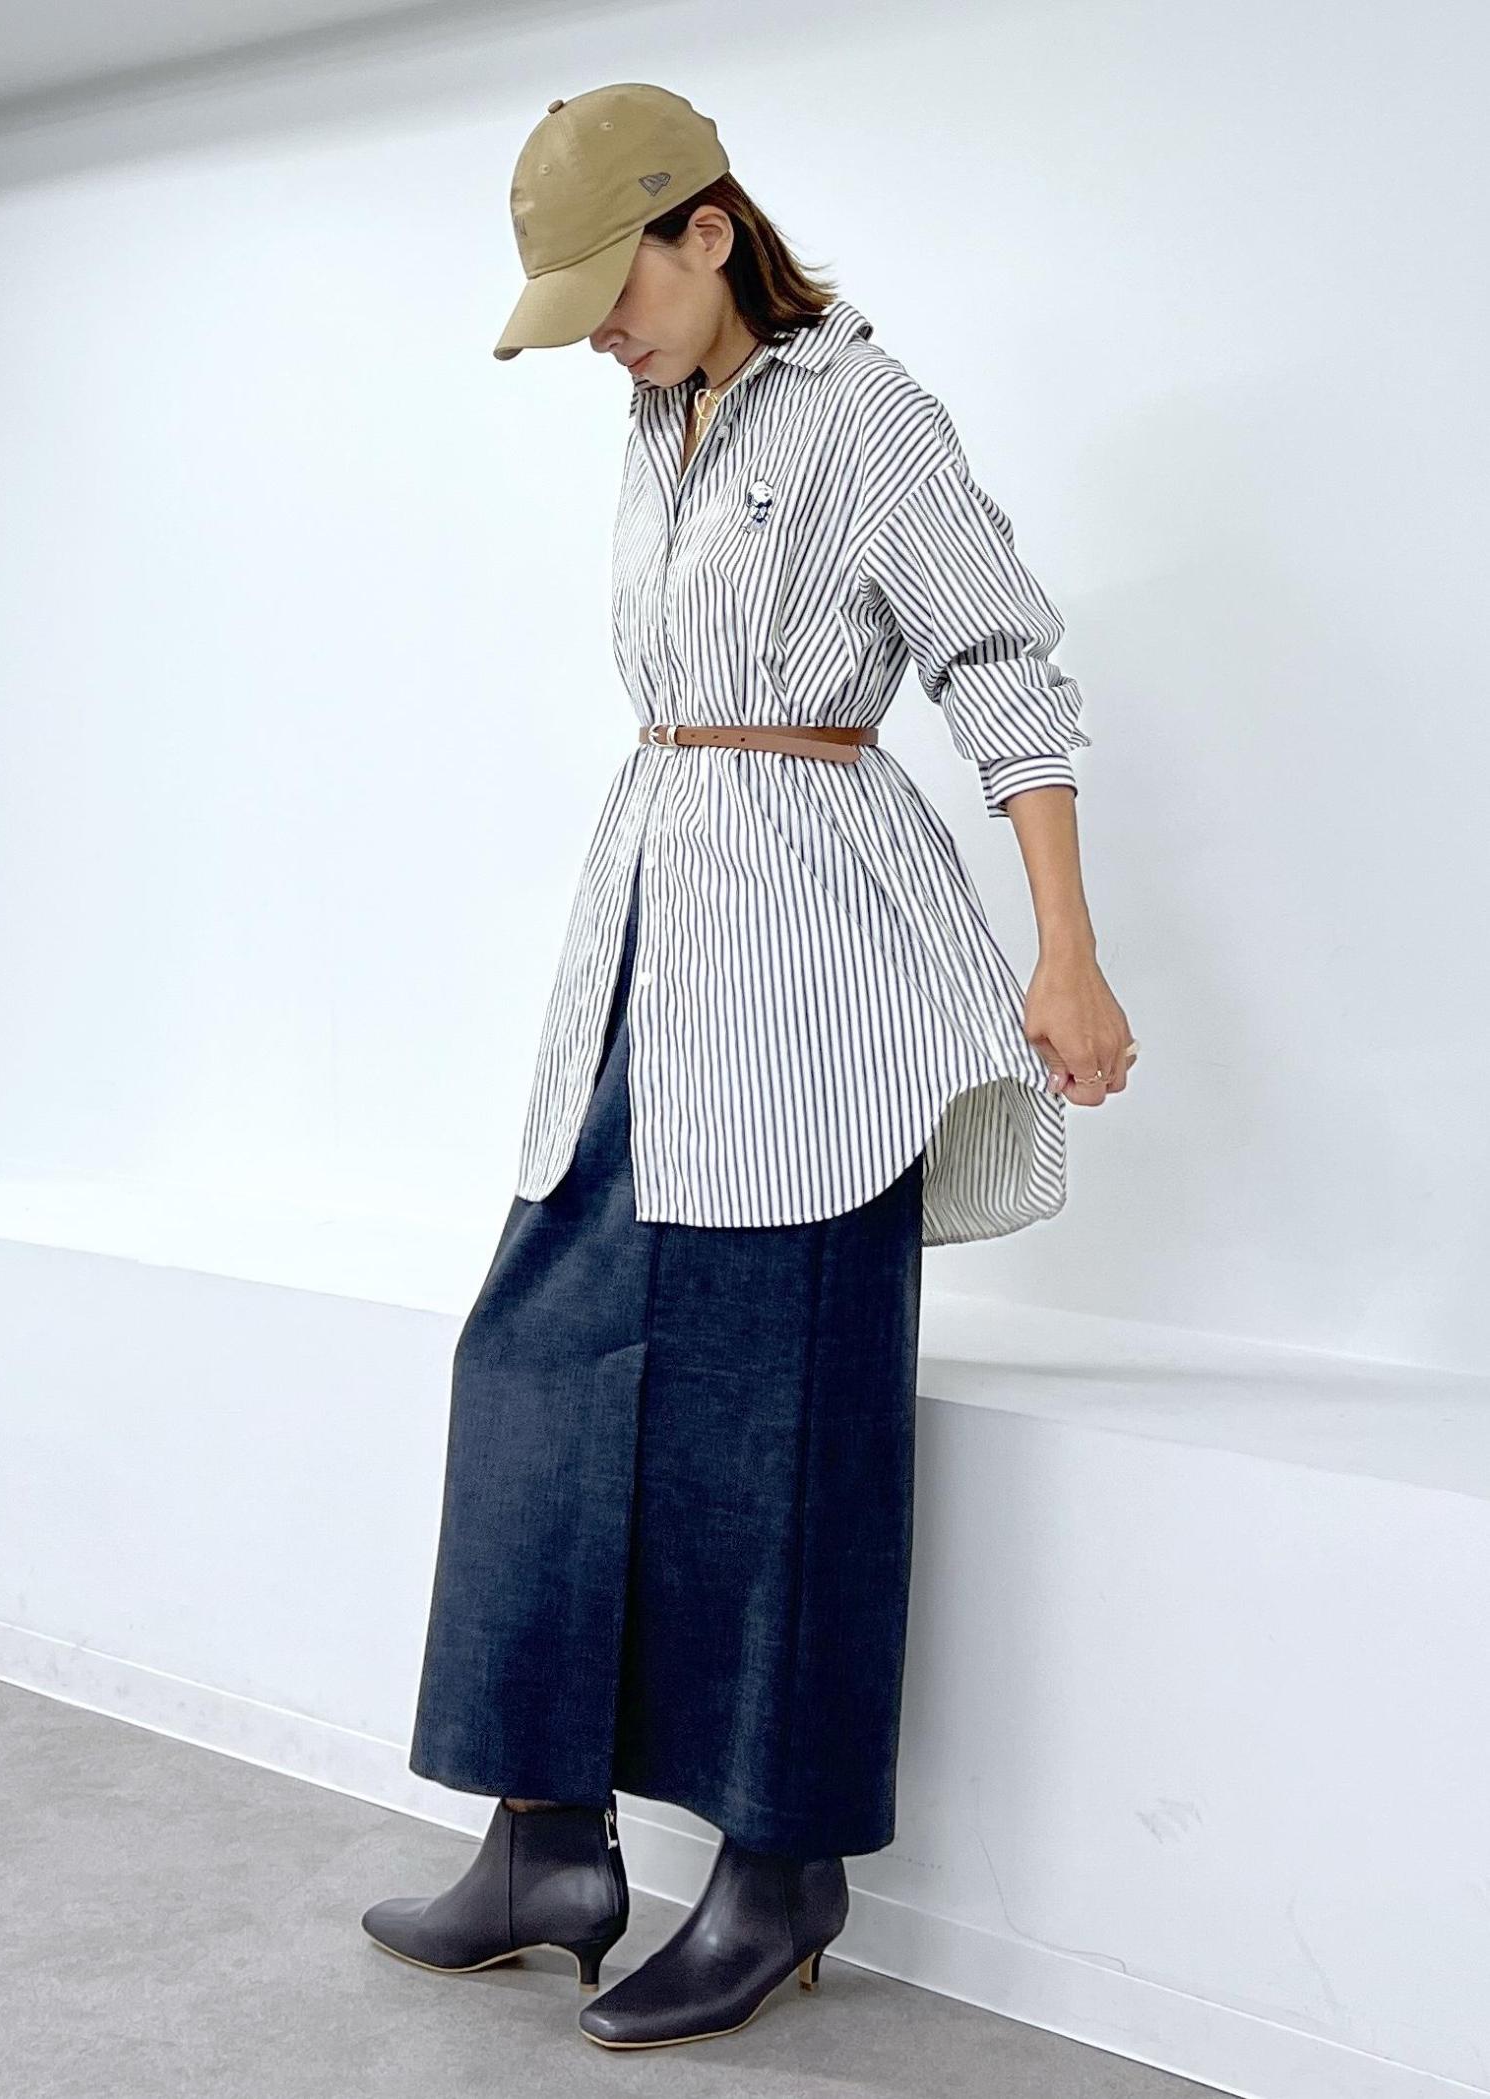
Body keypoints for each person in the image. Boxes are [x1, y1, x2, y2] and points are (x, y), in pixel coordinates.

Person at [361, 81, 1136, 2052]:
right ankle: (548, 1842)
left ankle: (781, 1875)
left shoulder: (866, 415)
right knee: (534, 1362)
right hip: (652, 935)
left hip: (816, 966)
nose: (596, 341)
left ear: (705, 229)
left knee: (785, 1411)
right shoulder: (660, 421)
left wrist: (1065, 949)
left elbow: (1003, 671)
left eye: (609, 291)